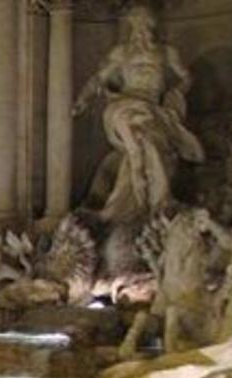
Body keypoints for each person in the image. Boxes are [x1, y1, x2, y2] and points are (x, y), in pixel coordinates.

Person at [73, 5, 204, 226]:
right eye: (138, 24)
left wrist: (177, 92)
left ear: (153, 25)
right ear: (132, 25)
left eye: (146, 24)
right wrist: (82, 100)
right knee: (134, 134)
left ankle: (140, 202)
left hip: (152, 108)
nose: (142, 30)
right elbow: (98, 79)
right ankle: (155, 201)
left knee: (145, 140)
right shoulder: (121, 52)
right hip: (124, 104)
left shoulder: (166, 52)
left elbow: (186, 77)